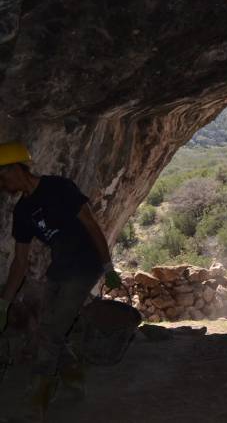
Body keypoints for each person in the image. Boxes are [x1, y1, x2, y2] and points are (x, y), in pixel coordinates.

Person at [0, 141, 123, 413]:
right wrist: (4, 303)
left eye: (2, 175)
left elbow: (91, 224)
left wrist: (107, 267)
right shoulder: (22, 211)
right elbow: (19, 261)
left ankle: (37, 398)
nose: (1, 183)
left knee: (52, 331)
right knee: (48, 326)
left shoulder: (59, 187)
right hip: (60, 269)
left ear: (15, 169)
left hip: (85, 266)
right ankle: (73, 378)